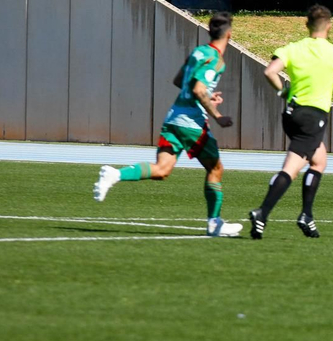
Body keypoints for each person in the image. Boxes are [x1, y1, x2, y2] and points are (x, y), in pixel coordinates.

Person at [92, 12, 242, 238]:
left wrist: (207, 96)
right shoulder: (217, 59)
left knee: (162, 170)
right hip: (191, 123)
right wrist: (218, 115)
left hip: (173, 118)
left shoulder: (198, 52)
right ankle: (214, 223)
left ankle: (115, 174)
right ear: (229, 35)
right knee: (215, 168)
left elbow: (179, 81)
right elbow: (199, 89)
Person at [248, 4, 333, 239]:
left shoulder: (294, 48)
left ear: (306, 25)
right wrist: (331, 83)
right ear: (329, 26)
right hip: (313, 116)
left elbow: (270, 72)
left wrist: (282, 92)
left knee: (319, 160)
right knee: (291, 169)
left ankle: (307, 214)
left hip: (292, 113)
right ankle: (262, 213)